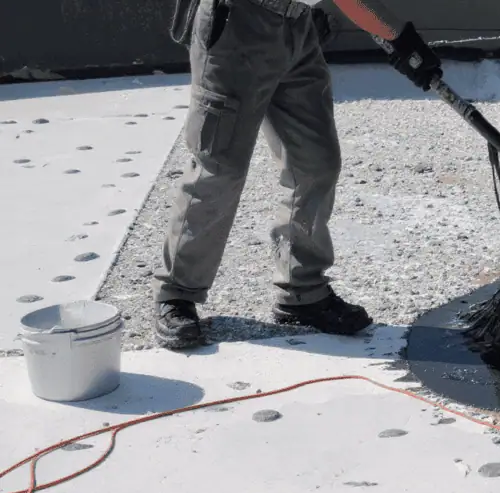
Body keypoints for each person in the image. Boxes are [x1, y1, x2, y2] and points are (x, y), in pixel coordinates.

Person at [158, 0, 441, 348]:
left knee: (315, 161)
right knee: (219, 165)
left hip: (298, 26)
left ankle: (302, 291)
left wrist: (398, 38)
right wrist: (400, 37)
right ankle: (176, 294)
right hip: (238, 24)